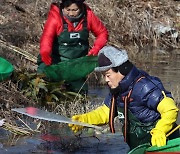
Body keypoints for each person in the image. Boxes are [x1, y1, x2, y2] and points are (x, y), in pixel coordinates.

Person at [69, 46, 179, 150]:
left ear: (122, 70)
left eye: (108, 75)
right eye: (104, 76)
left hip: (166, 145)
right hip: (140, 148)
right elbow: (105, 113)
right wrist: (83, 120)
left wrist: (160, 130)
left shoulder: (144, 86)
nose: (106, 80)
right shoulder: (117, 91)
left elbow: (170, 109)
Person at [37, 0, 108, 93]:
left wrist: (96, 48)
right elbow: (46, 38)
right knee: (44, 88)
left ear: (81, 7)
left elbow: (102, 33)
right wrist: (45, 53)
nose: (71, 13)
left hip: (76, 65)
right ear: (63, 7)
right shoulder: (55, 17)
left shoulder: (88, 15)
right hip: (56, 63)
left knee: (80, 94)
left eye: (75, 10)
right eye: (68, 10)